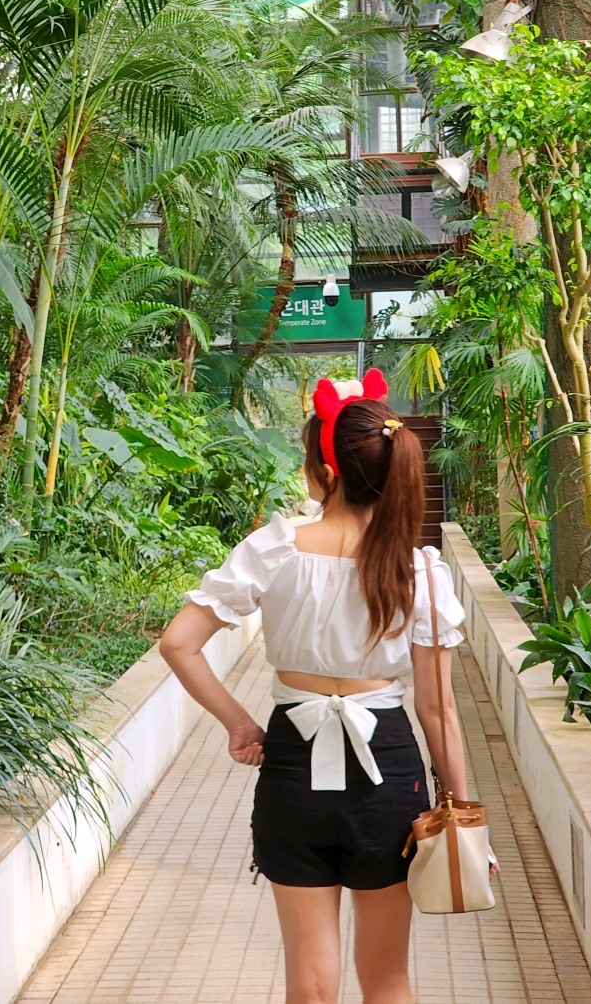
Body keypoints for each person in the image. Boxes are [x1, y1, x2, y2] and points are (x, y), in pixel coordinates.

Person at [159, 371, 497, 1004]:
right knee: (388, 979)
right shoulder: (416, 567)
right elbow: (439, 711)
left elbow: (178, 643)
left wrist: (240, 723)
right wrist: (462, 816)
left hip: (293, 767)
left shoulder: (275, 547)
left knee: (310, 987)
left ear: (326, 467)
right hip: (390, 775)